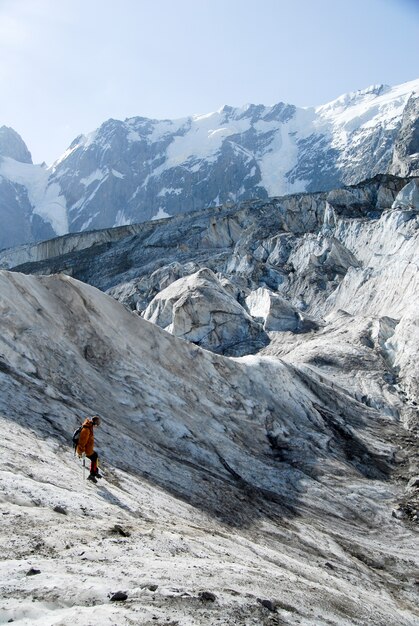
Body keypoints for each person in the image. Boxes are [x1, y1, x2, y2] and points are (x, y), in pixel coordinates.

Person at [77, 415, 102, 483]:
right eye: (96, 425)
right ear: (94, 423)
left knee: (95, 456)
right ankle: (92, 475)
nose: (96, 427)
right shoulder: (87, 430)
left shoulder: (89, 427)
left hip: (87, 449)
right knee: (94, 457)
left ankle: (94, 472)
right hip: (84, 450)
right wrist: (82, 452)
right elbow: (82, 442)